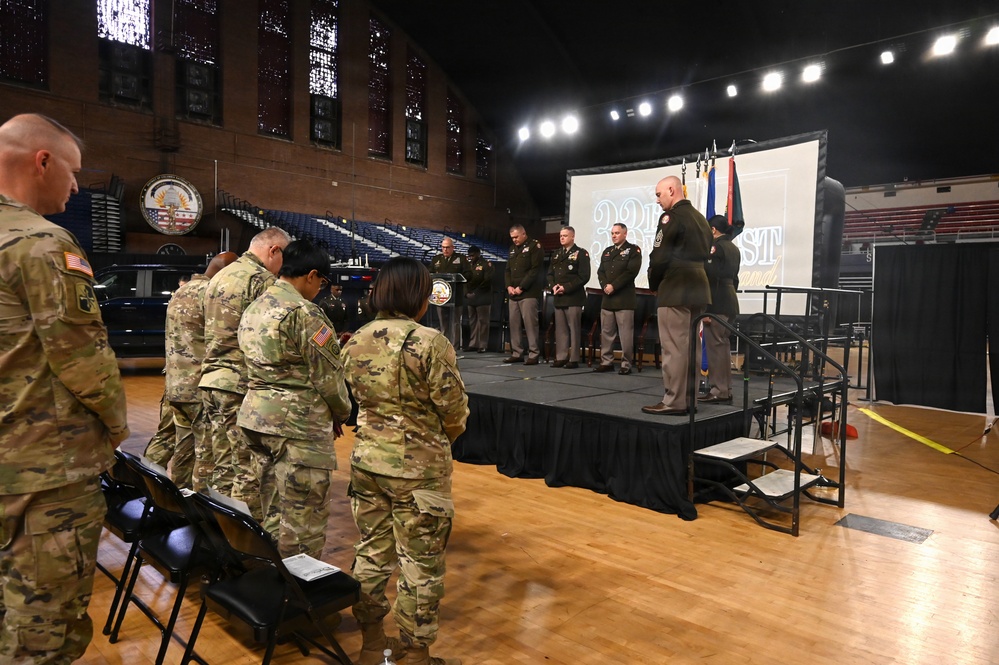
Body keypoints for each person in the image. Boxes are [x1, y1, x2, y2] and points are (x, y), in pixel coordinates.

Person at [0, 113, 129, 663]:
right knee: (42, 630)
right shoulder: (42, 243)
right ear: (42, 161)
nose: (77, 187)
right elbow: (83, 361)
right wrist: (117, 428)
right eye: (73, 173)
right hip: (42, 472)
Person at [342, 257, 468, 665]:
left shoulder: (357, 339)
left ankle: (371, 644)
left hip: (367, 464)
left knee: (372, 553)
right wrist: (435, 441)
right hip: (419, 471)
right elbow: (453, 410)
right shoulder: (429, 341)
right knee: (420, 563)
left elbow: (347, 402)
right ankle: (414, 653)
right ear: (417, 295)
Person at [238, 240, 351, 558]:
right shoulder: (305, 314)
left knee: (272, 513)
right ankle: (299, 598)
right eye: (323, 283)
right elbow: (329, 380)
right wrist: (340, 413)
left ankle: (270, 585)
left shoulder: (255, 307)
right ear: (312, 275)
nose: (321, 290)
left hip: (257, 420)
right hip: (298, 430)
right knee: (303, 525)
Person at [199, 226, 291, 519]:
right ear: (273, 251)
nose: (283, 269)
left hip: (212, 381)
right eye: (283, 259)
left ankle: (217, 536)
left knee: (224, 467)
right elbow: (271, 337)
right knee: (250, 471)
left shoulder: (219, 276)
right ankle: (246, 549)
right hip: (239, 385)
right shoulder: (260, 280)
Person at [146, 252, 237, 490]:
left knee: (180, 447)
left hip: (174, 384)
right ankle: (199, 509)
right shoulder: (211, 295)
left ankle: (165, 497)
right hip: (199, 388)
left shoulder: (182, 291)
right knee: (205, 454)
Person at [643, 175, 712, 415]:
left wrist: (653, 282)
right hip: (699, 287)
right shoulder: (701, 219)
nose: (657, 200)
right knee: (693, 346)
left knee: (673, 348)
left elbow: (660, 256)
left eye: (659, 194)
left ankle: (673, 401)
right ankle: (690, 400)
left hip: (675, 287)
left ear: (672, 190)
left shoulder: (670, 217)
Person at [699, 215, 741, 403]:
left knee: (716, 348)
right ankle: (725, 389)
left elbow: (711, 278)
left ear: (713, 230)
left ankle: (717, 390)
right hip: (730, 301)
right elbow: (735, 279)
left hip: (717, 303)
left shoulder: (716, 248)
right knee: (723, 347)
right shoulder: (733, 248)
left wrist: (707, 308)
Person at [594, 223, 643, 375]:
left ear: (625, 234)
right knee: (606, 333)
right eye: (612, 233)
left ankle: (626, 364)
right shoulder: (607, 251)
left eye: (617, 233)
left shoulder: (633, 250)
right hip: (608, 299)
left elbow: (631, 272)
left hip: (624, 299)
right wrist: (604, 285)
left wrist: (613, 286)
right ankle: (606, 362)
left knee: (625, 335)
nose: (614, 235)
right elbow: (600, 271)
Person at [546, 226, 590, 369]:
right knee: (561, 330)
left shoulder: (581, 253)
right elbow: (550, 274)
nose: (562, 238)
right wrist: (553, 286)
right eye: (560, 236)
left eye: (565, 235)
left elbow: (584, 276)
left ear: (572, 237)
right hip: (559, 297)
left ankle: (574, 358)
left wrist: (566, 287)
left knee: (574, 329)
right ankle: (561, 357)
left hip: (573, 297)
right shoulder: (557, 254)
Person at [503, 224, 544, 365]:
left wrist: (521, 287)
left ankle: (533, 354)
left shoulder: (534, 246)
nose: (514, 240)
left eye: (516, 237)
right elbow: (507, 270)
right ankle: (517, 352)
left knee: (530, 324)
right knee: (514, 324)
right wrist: (508, 286)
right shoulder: (512, 249)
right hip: (513, 293)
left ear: (524, 234)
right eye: (512, 238)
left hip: (529, 293)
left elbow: (534, 270)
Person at [428, 237, 471, 348]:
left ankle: (454, 347)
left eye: (447, 247)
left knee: (455, 322)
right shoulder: (437, 259)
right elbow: (430, 273)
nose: (445, 250)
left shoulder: (461, 259)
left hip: (456, 296)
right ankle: (444, 346)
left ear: (453, 247)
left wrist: (456, 279)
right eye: (443, 247)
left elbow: (468, 274)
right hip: (440, 297)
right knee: (443, 322)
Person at [464, 245, 494, 353]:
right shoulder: (468, 265)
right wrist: (466, 293)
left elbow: (487, 280)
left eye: (473, 255)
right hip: (470, 297)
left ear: (478, 254)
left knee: (483, 322)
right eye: (469, 255)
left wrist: (475, 293)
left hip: (482, 297)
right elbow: (464, 280)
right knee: (472, 322)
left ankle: (482, 345)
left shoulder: (486, 264)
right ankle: (473, 344)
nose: (471, 257)